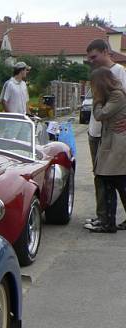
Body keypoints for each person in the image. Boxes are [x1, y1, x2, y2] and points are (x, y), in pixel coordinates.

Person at [83, 39, 126, 231]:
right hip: (97, 132)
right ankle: (103, 216)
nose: (91, 60)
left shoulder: (119, 73)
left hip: (113, 135)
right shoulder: (97, 74)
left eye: (94, 56)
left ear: (105, 51)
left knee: (116, 178)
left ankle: (107, 219)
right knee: (100, 178)